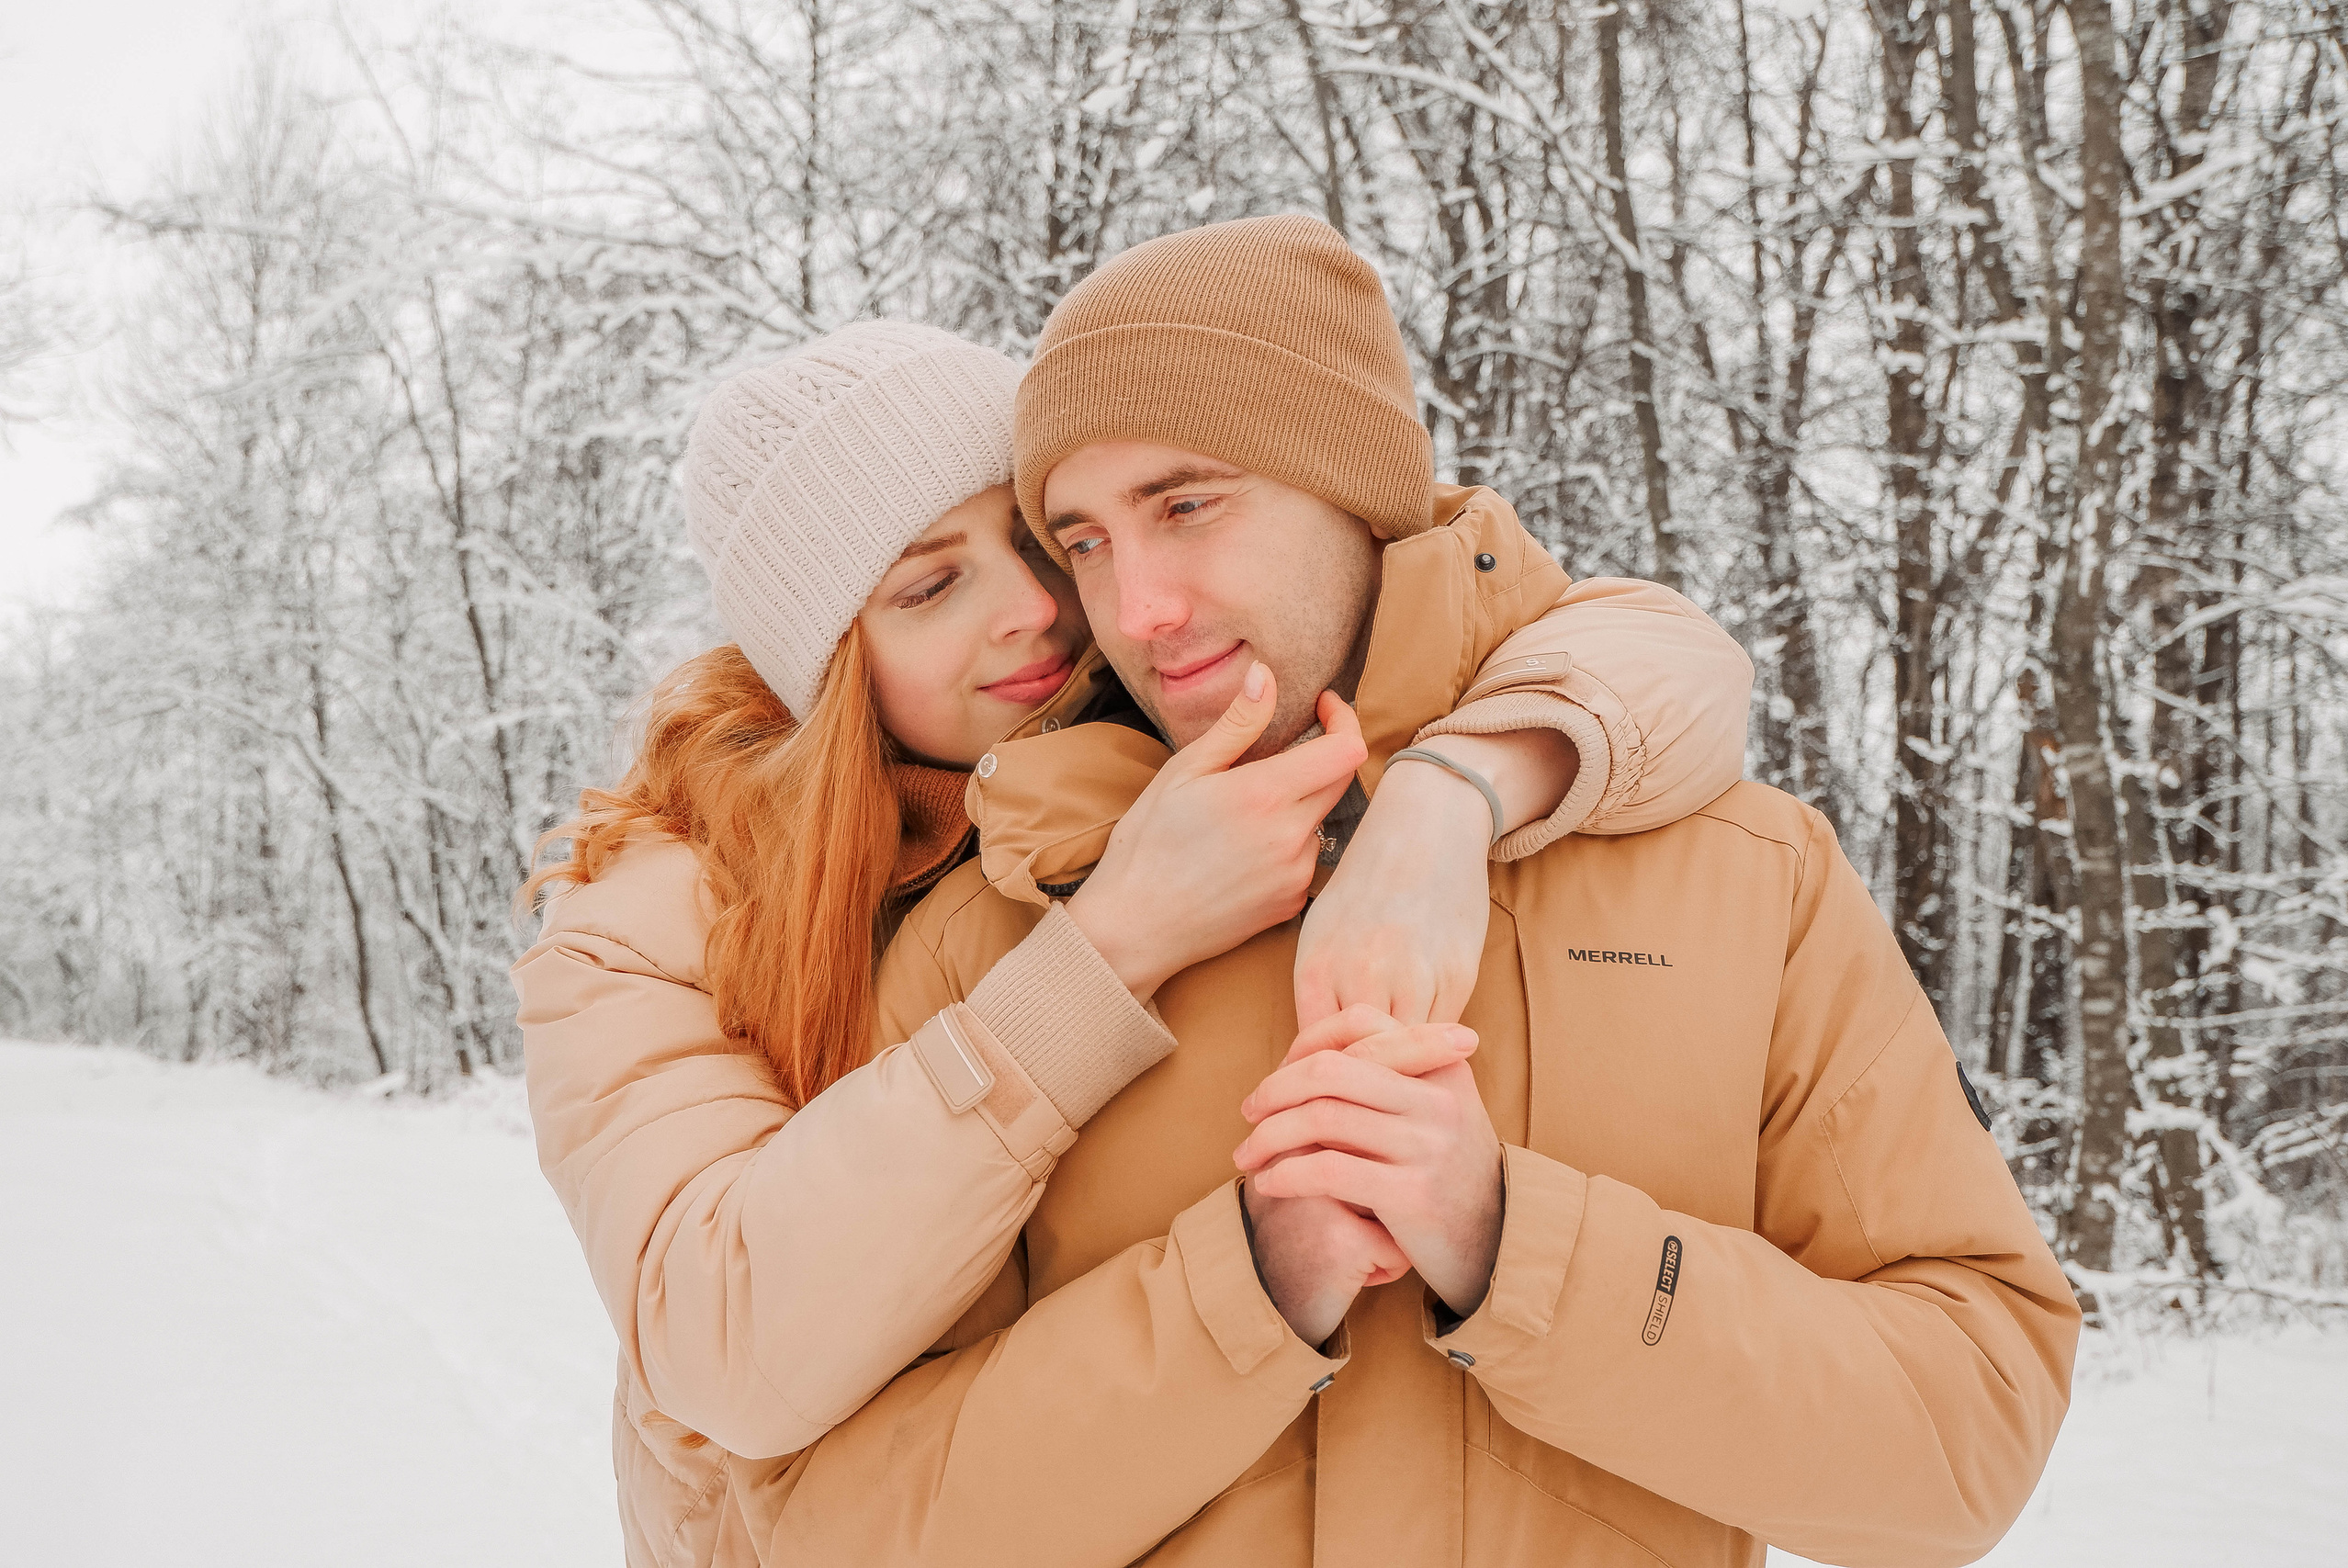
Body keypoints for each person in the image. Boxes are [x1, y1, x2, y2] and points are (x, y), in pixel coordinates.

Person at [701, 218, 2082, 1567]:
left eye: (1187, 503)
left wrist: (1513, 1247)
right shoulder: (1000, 941)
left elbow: (1966, 1442)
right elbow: (826, 1533)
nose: (1139, 607)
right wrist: (1243, 1290)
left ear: (1355, 486)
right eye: (1087, 541)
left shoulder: (1743, 879)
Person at [512, 320, 1755, 1565]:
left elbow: (1628, 636)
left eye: (1048, 541)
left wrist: (1456, 791)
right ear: (824, 661)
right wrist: (1109, 949)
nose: (1039, 611)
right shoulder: (655, 920)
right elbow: (730, 1347)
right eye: (932, 585)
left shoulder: (1161, 703)